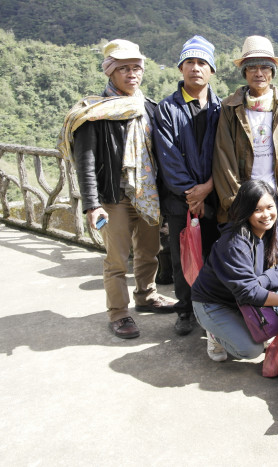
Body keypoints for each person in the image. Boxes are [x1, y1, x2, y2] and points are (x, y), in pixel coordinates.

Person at [58, 39, 175, 339]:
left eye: (136, 68)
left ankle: (146, 295)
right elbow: (85, 162)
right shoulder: (93, 113)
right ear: (110, 72)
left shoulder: (148, 107)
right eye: (124, 68)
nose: (132, 74)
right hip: (114, 198)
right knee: (117, 259)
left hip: (146, 196)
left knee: (150, 251)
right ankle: (119, 312)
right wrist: (91, 204)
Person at [154, 35, 222, 336]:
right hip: (179, 201)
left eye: (202, 62)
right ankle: (184, 311)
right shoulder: (167, 109)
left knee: (212, 256)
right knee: (183, 259)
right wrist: (191, 195)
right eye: (190, 62)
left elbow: (227, 156)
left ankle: (209, 309)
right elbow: (168, 158)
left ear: (212, 70)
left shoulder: (223, 109)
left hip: (215, 199)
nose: (196, 68)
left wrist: (208, 188)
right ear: (181, 68)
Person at [191, 179, 278, 362]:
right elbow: (248, 291)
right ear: (245, 211)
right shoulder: (233, 244)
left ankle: (241, 324)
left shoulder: (271, 232)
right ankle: (215, 335)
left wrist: (260, 282)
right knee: (250, 350)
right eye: (257, 210)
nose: (266, 215)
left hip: (242, 298)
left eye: (270, 207)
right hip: (214, 303)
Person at [213, 35, 278, 233]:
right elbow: (223, 159)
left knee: (273, 258)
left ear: (272, 71)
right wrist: (238, 204)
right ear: (244, 72)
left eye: (264, 67)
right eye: (252, 68)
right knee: (242, 258)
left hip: (276, 201)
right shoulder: (231, 107)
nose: (259, 73)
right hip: (242, 200)